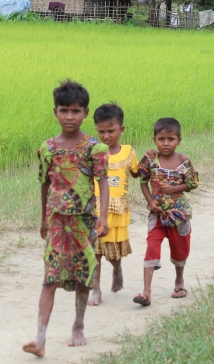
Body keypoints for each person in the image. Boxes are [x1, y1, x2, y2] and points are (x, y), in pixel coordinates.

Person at [23, 81, 109, 357]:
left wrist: (103, 217)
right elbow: (44, 185)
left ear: (85, 112)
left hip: (84, 221)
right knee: (50, 277)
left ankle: (78, 326)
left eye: (75, 111)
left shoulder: (94, 148)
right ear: (55, 112)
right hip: (57, 221)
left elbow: (103, 183)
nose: (69, 116)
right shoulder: (47, 148)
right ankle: (40, 338)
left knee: (83, 276)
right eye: (64, 110)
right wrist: (43, 219)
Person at [133, 118, 199, 306]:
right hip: (158, 215)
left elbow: (193, 183)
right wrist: (150, 201)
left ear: (179, 140)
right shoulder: (151, 160)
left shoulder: (183, 160)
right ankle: (146, 292)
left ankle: (179, 282)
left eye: (170, 139)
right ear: (154, 139)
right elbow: (142, 181)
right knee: (151, 247)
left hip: (179, 216)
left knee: (180, 250)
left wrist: (176, 189)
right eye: (161, 139)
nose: (166, 143)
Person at [88, 103, 139, 306]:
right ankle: (96, 289)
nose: (106, 136)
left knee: (112, 251)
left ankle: (117, 269)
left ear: (121, 130)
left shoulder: (128, 153)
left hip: (116, 211)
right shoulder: (93, 152)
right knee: (95, 252)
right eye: (101, 132)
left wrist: (151, 161)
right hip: (94, 209)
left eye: (111, 131)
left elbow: (138, 173)